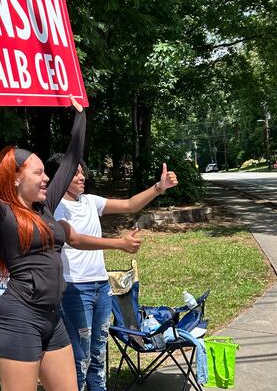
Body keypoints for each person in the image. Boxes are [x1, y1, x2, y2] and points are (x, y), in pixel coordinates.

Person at [0, 90, 141, 391]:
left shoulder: (45, 208)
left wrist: (80, 117)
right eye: (39, 173)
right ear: (15, 178)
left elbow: (70, 161)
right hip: (19, 319)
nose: (46, 179)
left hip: (52, 318)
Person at [45, 155, 178, 391]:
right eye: (75, 173)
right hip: (74, 289)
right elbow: (74, 239)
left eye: (82, 171)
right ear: (60, 177)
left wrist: (159, 188)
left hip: (101, 286)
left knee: (98, 352)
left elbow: (129, 205)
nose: (82, 176)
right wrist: (119, 243)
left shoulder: (89, 201)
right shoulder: (54, 207)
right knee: (80, 355)